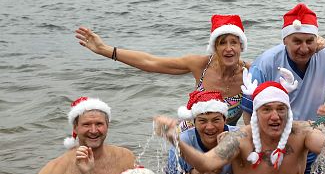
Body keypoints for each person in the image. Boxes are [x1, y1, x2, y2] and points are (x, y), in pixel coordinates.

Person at [153, 73, 325, 174]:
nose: (275, 116)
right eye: (267, 109)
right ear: (256, 113)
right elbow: (206, 163)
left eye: (281, 109)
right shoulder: (239, 139)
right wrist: (175, 141)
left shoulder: (303, 132)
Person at [241, 3, 325, 165]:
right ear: (285, 40)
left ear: (317, 39)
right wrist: (261, 149)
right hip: (275, 147)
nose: (304, 48)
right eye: (297, 41)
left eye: (309, 41)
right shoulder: (266, 64)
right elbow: (248, 113)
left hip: (310, 142)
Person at [76, 15, 249, 126]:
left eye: (233, 42)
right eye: (222, 43)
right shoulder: (200, 65)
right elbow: (150, 62)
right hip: (190, 137)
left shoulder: (250, 73)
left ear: (241, 46)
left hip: (226, 142)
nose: (228, 48)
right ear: (214, 47)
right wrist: (104, 49)